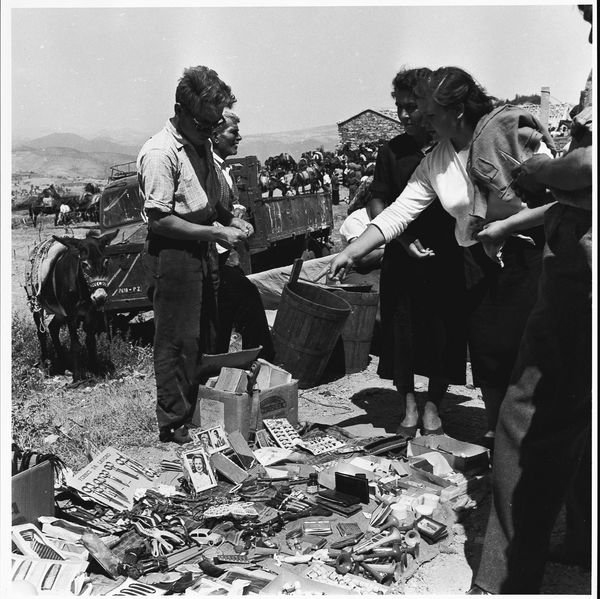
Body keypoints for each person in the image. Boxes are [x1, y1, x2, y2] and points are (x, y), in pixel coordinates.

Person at [326, 66, 555, 448]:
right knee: (489, 356)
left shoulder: (510, 132)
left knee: (528, 358)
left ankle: (536, 444)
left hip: (528, 258)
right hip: (479, 262)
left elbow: (563, 201)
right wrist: (351, 251)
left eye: (430, 114)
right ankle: (500, 440)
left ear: (457, 112)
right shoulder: (437, 160)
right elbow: (398, 213)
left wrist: (506, 227)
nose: (423, 122)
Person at [470, 6, 593, 593]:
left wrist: (540, 167)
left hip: (582, 268)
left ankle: (504, 578)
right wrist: (510, 222)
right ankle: (586, 538)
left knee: (527, 416)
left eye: (591, 13)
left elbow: (590, 171)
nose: (590, 27)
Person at [139, 65, 252, 445]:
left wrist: (229, 219)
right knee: (176, 340)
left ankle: (199, 408)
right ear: (180, 111)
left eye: (215, 124)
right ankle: (173, 422)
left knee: (204, 334)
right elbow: (160, 220)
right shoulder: (160, 153)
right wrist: (216, 232)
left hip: (201, 249)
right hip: (173, 254)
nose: (209, 132)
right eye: (204, 124)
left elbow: (206, 200)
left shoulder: (199, 142)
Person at [368, 67, 467, 437]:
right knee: (402, 332)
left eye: (411, 107)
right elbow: (377, 200)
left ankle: (433, 405)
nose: (404, 115)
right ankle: (408, 403)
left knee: (444, 330)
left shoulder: (452, 148)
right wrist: (401, 239)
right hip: (402, 255)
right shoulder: (392, 151)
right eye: (399, 107)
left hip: (448, 255)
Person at [211, 109, 275, 361]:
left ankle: (221, 365)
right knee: (247, 298)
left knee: (224, 313)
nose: (239, 137)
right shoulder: (210, 169)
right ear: (215, 136)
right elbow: (208, 211)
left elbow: (228, 206)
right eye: (233, 132)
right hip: (217, 251)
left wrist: (237, 213)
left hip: (225, 250)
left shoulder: (223, 168)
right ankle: (261, 361)